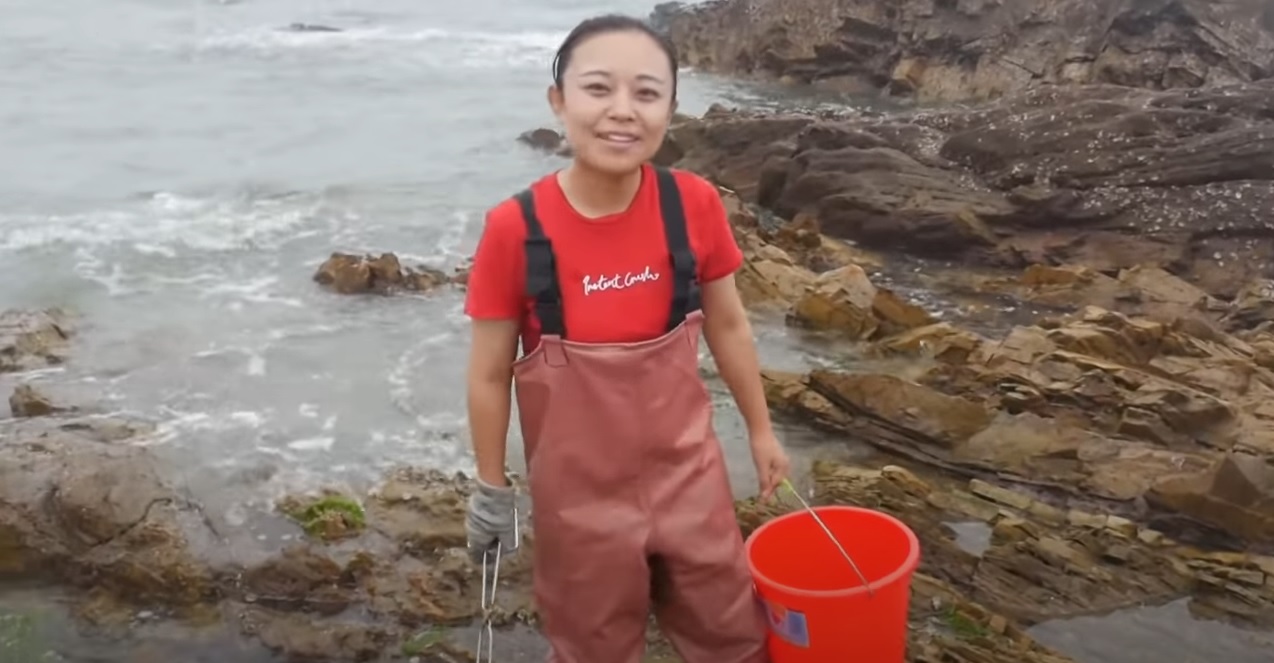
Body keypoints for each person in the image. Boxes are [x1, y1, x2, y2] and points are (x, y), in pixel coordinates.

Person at [461, 13, 789, 663]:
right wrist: (492, 489)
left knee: (731, 633)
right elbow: (489, 374)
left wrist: (760, 430)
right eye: (597, 88)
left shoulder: (692, 203)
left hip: (692, 481)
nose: (622, 110)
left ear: (671, 107)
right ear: (558, 101)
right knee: (593, 644)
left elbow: (728, 325)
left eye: (646, 92)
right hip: (578, 506)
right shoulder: (515, 228)